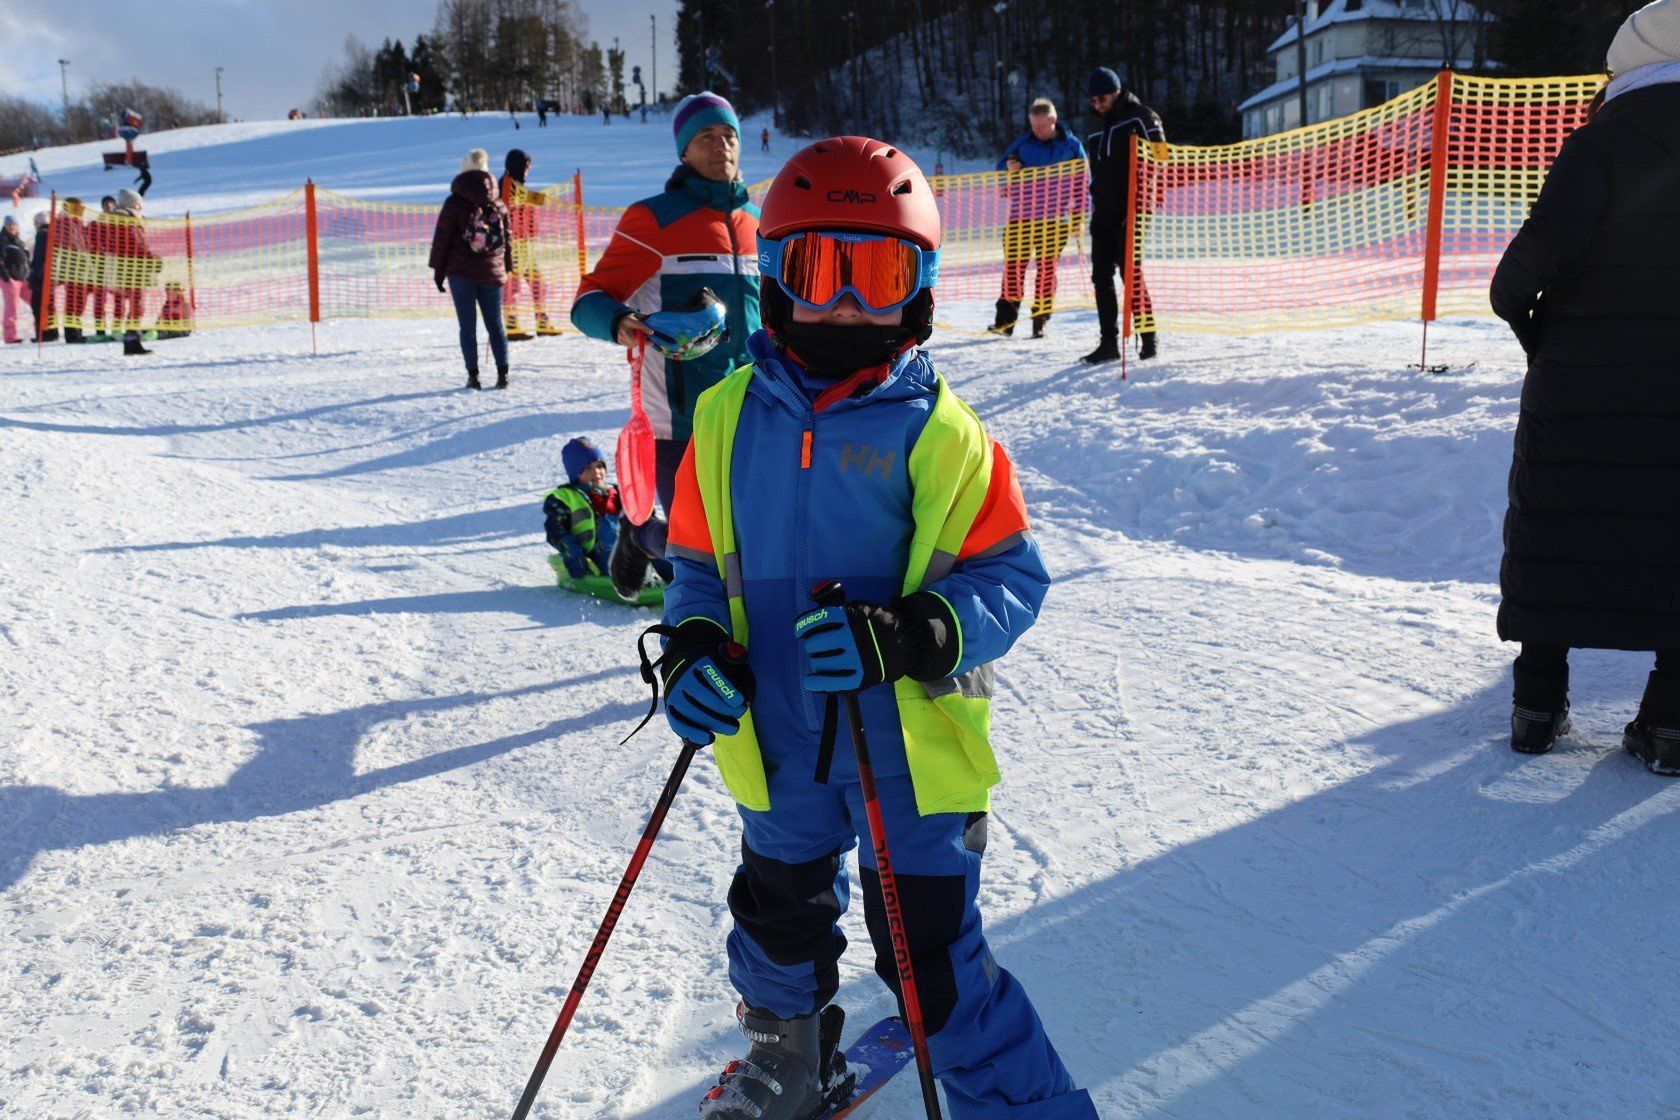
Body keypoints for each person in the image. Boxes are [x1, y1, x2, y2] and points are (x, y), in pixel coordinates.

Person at [657, 136, 1095, 1120]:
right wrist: (690, 647)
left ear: (922, 286)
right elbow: (692, 568)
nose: (848, 299)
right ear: (775, 275)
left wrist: (910, 634)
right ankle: (789, 1064)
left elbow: (1011, 575)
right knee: (777, 922)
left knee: (929, 959)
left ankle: (1025, 1107)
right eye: (821, 267)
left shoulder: (946, 434)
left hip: (913, 756)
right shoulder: (722, 422)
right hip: (774, 742)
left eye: (880, 270)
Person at [1490, 0, 1680, 773]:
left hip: (1580, 384)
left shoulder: (1599, 144)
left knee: (1559, 530)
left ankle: (1536, 707)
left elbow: (1515, 282)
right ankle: (1669, 725)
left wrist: (1547, 345)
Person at [570, 90, 760, 599]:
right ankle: (641, 536)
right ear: (684, 150)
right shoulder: (654, 219)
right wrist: (619, 321)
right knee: (691, 553)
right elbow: (588, 298)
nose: (720, 145)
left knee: (752, 541)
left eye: (728, 135)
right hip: (679, 415)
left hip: (757, 406)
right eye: (705, 136)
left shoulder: (760, 226)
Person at [1082, 66, 1162, 364]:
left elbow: (1162, 155)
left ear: (1116, 91)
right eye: (1092, 100)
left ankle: (1148, 338)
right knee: (1100, 277)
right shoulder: (1095, 126)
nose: (1097, 104)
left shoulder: (1141, 116)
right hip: (1103, 212)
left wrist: (1144, 197)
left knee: (1131, 274)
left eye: (1101, 98)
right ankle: (1108, 342)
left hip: (1133, 210)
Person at [990, 98, 1087, 339]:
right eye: (1033, 126)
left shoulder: (1072, 146)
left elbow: (1082, 185)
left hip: (1054, 222)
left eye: (1042, 126)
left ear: (1053, 121)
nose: (1037, 130)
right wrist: (1009, 171)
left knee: (1046, 271)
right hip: (1020, 220)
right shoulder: (1021, 143)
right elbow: (1000, 172)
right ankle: (1005, 323)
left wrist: (1078, 216)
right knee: (1013, 270)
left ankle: (1040, 320)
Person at [428, 148, 514, 389]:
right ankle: (503, 374)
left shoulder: (454, 202)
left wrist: (438, 270)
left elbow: (442, 238)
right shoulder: (498, 203)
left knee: (467, 326)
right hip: (492, 273)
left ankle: (473, 376)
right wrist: (506, 267)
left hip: (461, 273)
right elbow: (508, 238)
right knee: (495, 325)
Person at [543, 437, 624, 579]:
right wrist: (569, 546)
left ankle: (668, 574)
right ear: (575, 473)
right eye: (587, 468)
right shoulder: (564, 498)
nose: (596, 472)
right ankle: (634, 580)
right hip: (596, 554)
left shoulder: (616, 492)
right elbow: (554, 529)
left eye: (600, 466)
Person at [499, 149, 557, 340]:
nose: (527, 170)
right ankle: (512, 326)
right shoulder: (505, 186)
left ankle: (542, 322)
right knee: (512, 286)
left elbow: (531, 200)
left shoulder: (517, 185)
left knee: (537, 283)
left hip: (525, 244)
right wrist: (537, 199)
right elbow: (520, 201)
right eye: (526, 166)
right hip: (512, 244)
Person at [106, 189, 160, 356]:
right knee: (137, 305)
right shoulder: (127, 219)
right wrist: (150, 258)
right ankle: (131, 341)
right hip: (131, 269)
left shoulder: (126, 218)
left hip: (128, 268)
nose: (140, 207)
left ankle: (132, 339)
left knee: (134, 305)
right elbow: (135, 244)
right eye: (138, 203)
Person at [27, 211, 56, 342]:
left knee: (38, 305)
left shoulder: (42, 234)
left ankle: (43, 334)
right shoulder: (53, 233)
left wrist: (33, 276)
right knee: (50, 305)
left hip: (42, 277)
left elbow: (39, 258)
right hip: (51, 276)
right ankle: (51, 332)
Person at [1, 216, 29, 344]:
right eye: (9, 225)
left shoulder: (19, 241)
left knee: (36, 300)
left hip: (23, 278)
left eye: (14, 225)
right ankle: (10, 337)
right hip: (10, 278)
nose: (12, 227)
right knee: (12, 308)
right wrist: (5, 274)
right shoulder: (2, 241)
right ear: (5, 226)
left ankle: (45, 332)